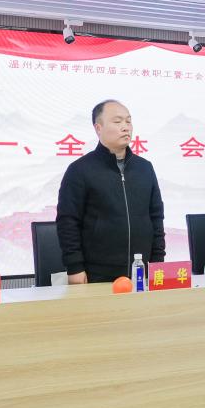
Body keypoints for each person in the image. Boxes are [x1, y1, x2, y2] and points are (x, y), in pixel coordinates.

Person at [56, 100, 165, 284]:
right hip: (97, 273)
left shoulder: (145, 168)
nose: (125, 127)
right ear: (98, 128)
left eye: (128, 121)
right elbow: (68, 222)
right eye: (117, 121)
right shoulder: (80, 170)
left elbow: (156, 218)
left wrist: (157, 262)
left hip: (142, 271)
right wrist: (74, 267)